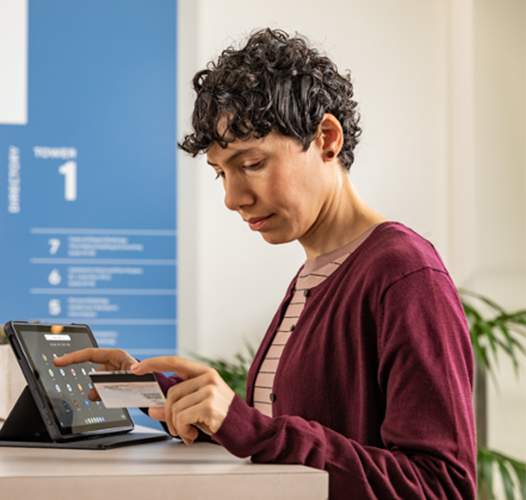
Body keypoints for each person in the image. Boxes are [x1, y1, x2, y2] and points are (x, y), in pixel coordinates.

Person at [54, 28, 476, 499]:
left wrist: (252, 431)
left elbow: (443, 487)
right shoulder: (314, 274)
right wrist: (161, 391)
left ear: (327, 139)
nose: (233, 198)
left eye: (251, 164)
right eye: (221, 173)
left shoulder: (404, 274)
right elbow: (287, 441)